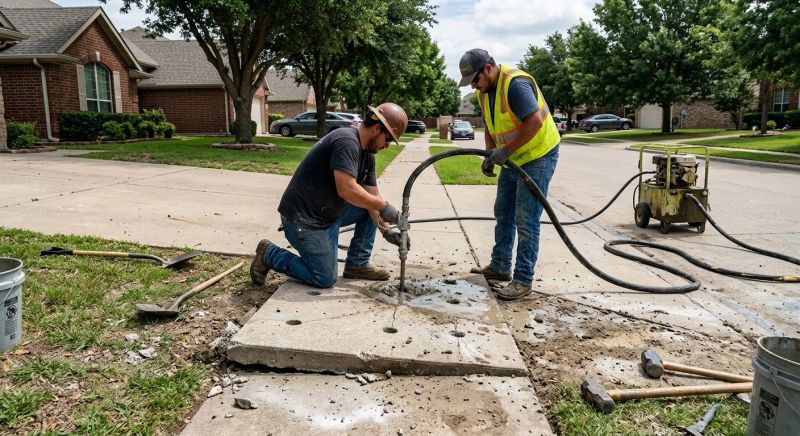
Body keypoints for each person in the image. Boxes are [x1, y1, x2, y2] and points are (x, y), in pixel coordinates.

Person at [249, 103, 408, 288]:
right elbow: (346, 189)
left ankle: (357, 264)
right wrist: (383, 206)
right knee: (324, 278)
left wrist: (387, 230)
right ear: (377, 128)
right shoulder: (347, 141)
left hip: (326, 213)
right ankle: (269, 254)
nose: (387, 146)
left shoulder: (367, 155)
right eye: (387, 140)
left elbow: (373, 197)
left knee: (370, 207)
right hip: (304, 220)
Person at [458, 48, 560, 301]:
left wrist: (505, 152)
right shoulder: (484, 93)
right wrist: (489, 154)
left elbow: (534, 121)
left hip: (539, 155)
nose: (474, 85)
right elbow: (491, 126)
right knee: (503, 211)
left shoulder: (515, 84)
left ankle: (523, 280)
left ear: (488, 69)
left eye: (475, 79)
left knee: (526, 218)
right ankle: (501, 266)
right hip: (513, 158)